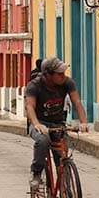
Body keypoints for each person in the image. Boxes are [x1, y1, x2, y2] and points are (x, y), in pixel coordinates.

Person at [25, 56, 88, 189]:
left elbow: (76, 102)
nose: (63, 76)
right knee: (43, 141)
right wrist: (37, 124)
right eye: (59, 74)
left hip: (58, 124)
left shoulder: (67, 83)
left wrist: (83, 122)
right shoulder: (34, 85)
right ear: (48, 75)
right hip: (39, 123)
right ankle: (36, 173)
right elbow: (30, 106)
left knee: (63, 161)